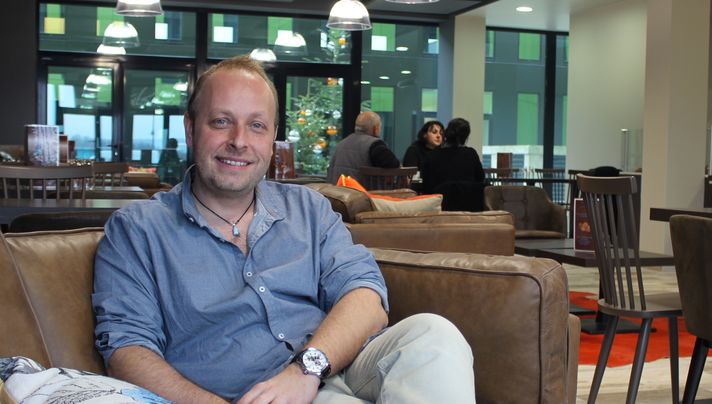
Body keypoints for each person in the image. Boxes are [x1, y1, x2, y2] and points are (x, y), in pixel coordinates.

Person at [93, 54, 475, 404]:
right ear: (191, 129)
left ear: (272, 137)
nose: (239, 141)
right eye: (221, 121)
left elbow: (365, 296)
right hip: (247, 393)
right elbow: (128, 352)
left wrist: (307, 369)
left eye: (256, 125)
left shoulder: (308, 208)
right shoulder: (137, 231)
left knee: (433, 334)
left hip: (337, 365)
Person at [420, 118, 486, 211]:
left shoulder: (431, 156)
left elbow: (426, 186)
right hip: (471, 207)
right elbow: (480, 179)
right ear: (465, 138)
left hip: (440, 207)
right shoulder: (471, 154)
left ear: (446, 133)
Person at [326, 111, 400, 187]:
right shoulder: (375, 145)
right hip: (362, 195)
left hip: (337, 194)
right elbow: (393, 164)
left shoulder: (341, 144)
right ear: (376, 128)